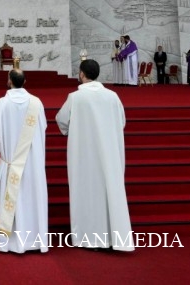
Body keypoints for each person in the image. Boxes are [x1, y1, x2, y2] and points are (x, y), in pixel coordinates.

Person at [55, 59, 133, 251]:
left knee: (87, 192)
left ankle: (89, 237)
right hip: (109, 153)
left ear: (82, 74)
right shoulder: (113, 96)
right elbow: (122, 121)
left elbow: (61, 120)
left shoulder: (75, 98)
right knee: (109, 191)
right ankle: (113, 236)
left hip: (85, 154)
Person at [0, 69, 48, 253]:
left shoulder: (2, 104)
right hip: (33, 163)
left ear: (9, 81)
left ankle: (10, 242)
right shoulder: (37, 103)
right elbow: (43, 128)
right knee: (32, 199)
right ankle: (35, 240)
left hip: (11, 163)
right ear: (25, 81)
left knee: (12, 201)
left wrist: (1, 148)